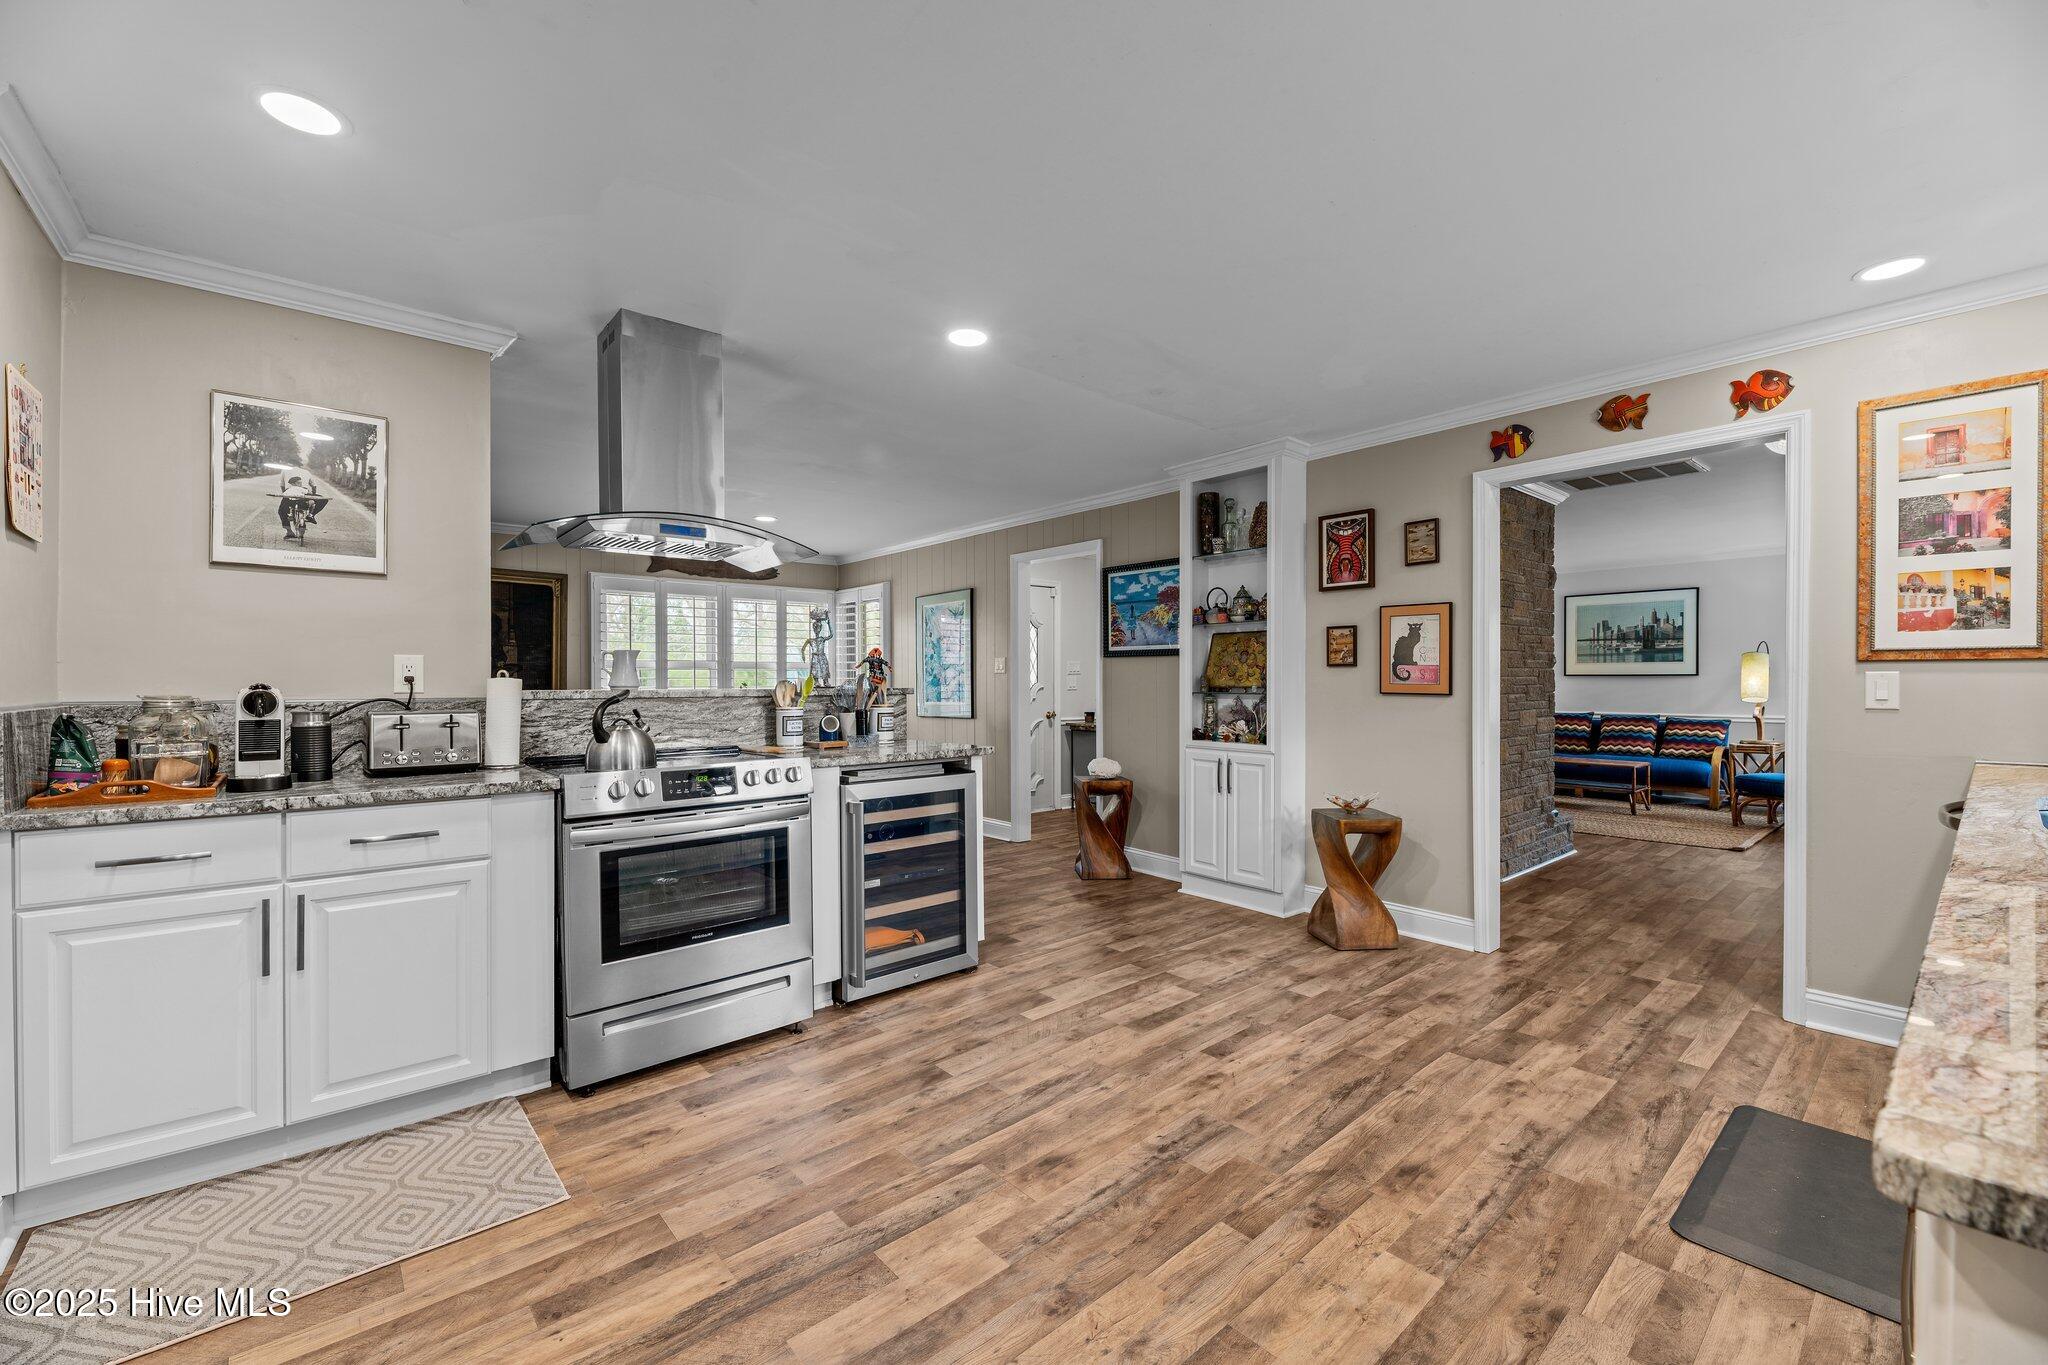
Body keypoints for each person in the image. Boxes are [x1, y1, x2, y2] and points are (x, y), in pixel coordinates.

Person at [277, 470, 321, 540]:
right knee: (316, 501)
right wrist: (312, 495)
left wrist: (285, 495)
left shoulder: (285, 472)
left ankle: (289, 531)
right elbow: (313, 486)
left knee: (281, 511)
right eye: (299, 483)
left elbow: (282, 487)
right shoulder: (306, 473)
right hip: (302, 500)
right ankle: (311, 515)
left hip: (289, 500)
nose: (300, 484)